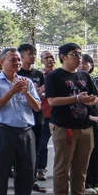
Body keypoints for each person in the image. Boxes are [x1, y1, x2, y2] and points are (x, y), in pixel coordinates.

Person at [0, 48, 43, 195]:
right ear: (2, 62)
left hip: (26, 131)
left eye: (18, 60)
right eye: (13, 60)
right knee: (2, 172)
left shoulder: (27, 82)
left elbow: (37, 107)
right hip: (5, 131)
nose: (17, 63)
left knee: (27, 173)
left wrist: (25, 92)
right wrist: (11, 91)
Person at [45, 43, 98, 195]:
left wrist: (91, 100)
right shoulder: (54, 76)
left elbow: (97, 97)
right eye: (75, 54)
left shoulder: (84, 75)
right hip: (64, 127)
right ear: (63, 57)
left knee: (81, 166)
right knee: (63, 166)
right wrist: (76, 98)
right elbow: (52, 101)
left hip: (85, 127)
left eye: (80, 54)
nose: (79, 58)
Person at [17, 43, 47, 194]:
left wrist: (39, 92)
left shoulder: (39, 74)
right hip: (22, 116)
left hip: (37, 115)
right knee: (21, 150)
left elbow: (42, 95)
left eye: (34, 54)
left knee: (36, 149)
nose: (33, 56)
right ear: (21, 56)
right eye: (30, 54)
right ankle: (20, 178)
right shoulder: (17, 74)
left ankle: (33, 179)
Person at [79, 54, 98, 195]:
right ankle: (86, 183)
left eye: (86, 62)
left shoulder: (96, 82)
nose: (83, 65)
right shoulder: (75, 81)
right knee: (84, 153)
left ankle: (97, 182)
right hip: (82, 120)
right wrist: (90, 117)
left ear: (91, 65)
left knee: (96, 150)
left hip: (97, 121)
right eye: (81, 62)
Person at [37, 50, 57, 181]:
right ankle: (41, 169)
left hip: (59, 114)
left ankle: (61, 170)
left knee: (61, 145)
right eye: (46, 57)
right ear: (42, 60)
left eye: (52, 57)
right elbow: (35, 93)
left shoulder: (60, 74)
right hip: (44, 114)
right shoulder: (39, 76)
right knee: (42, 144)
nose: (50, 59)